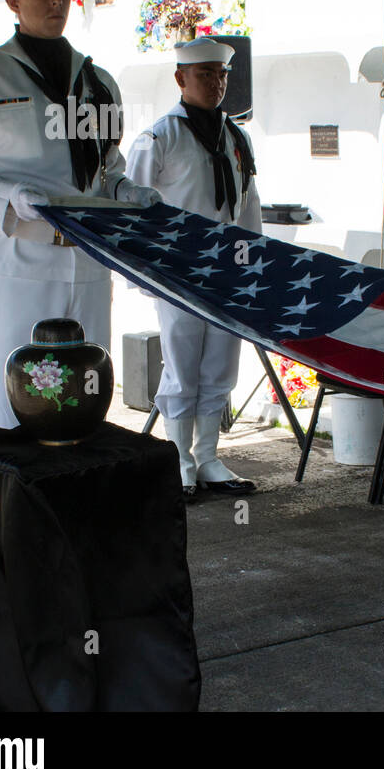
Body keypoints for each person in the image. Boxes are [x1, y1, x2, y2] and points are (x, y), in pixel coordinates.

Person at [0, 0, 160, 428]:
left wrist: (126, 192)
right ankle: (21, 501)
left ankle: (79, 498)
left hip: (90, 259)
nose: (55, 0)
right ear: (14, 2)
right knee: (21, 397)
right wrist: (10, 198)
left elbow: (106, 169)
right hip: (22, 261)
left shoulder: (99, 83)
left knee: (87, 393)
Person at [126, 38, 260, 496]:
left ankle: (208, 457)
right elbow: (135, 208)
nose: (216, 83)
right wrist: (147, 274)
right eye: (204, 74)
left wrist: (252, 265)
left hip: (227, 271)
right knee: (182, 368)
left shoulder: (236, 136)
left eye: (221, 75)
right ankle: (179, 459)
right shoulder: (160, 137)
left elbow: (248, 206)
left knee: (221, 367)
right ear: (181, 78)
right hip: (179, 272)